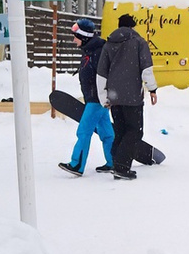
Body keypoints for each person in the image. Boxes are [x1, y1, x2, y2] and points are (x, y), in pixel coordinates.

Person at [96, 14, 159, 181]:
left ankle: (117, 164)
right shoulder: (139, 43)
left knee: (120, 131)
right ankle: (122, 167)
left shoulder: (109, 43)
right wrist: (152, 89)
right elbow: (146, 70)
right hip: (132, 98)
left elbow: (101, 73)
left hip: (114, 97)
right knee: (135, 132)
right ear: (132, 26)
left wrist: (104, 97)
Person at [58, 18, 114, 176]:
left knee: (84, 131)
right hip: (97, 98)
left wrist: (104, 95)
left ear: (83, 37)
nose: (73, 39)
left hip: (96, 99)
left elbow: (104, 75)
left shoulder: (97, 52)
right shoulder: (91, 51)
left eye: (75, 36)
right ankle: (113, 162)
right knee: (106, 132)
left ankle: (76, 165)